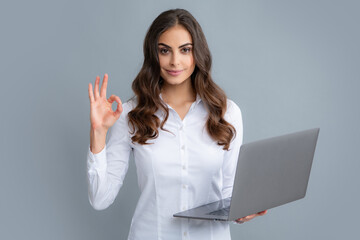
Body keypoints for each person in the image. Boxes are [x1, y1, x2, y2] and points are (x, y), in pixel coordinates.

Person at [87, 8, 267, 240]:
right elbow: (100, 199)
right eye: (165, 51)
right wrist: (98, 133)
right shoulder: (130, 114)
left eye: (185, 50)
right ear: (154, 54)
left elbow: (228, 194)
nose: (175, 61)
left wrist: (243, 210)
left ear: (197, 53)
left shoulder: (227, 113)